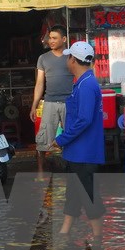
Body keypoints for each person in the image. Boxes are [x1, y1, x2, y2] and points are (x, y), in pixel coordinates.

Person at [52, 41, 106, 241]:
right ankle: (65, 231)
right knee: (74, 193)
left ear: (73, 60)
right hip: (77, 151)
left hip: (84, 152)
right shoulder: (83, 82)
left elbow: (84, 119)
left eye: (68, 57)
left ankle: (98, 237)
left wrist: (61, 139)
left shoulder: (86, 85)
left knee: (88, 193)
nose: (67, 60)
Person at [30, 25, 73, 170]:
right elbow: (39, 83)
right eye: (50, 38)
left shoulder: (72, 57)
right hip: (50, 102)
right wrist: (34, 105)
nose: (51, 41)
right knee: (43, 138)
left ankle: (71, 167)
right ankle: (41, 170)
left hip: (69, 102)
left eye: (55, 38)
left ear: (64, 39)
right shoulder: (43, 58)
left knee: (71, 135)